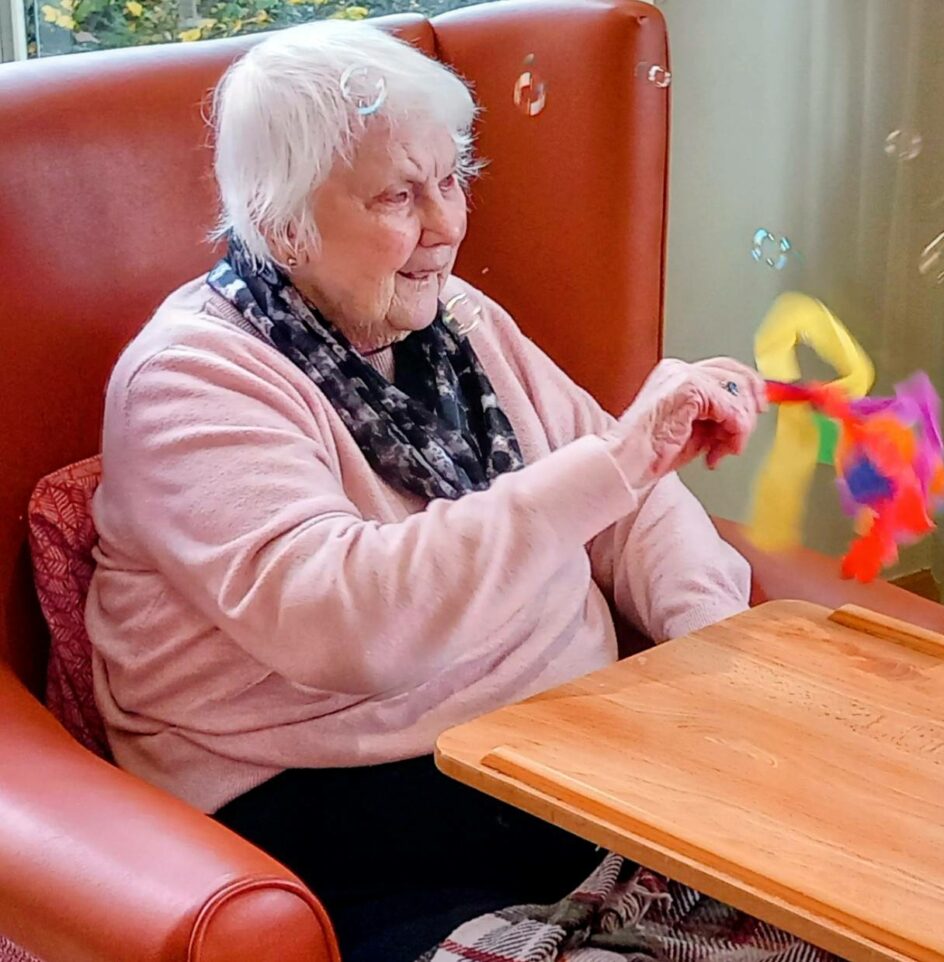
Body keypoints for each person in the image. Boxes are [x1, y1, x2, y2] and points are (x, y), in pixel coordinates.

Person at [86, 20, 765, 961]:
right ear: (282, 222)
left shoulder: (459, 321)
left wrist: (713, 652)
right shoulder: (193, 377)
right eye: (399, 196)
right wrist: (617, 462)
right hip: (342, 811)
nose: (446, 226)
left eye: (450, 180)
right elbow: (346, 624)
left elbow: (631, 507)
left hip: (566, 765)